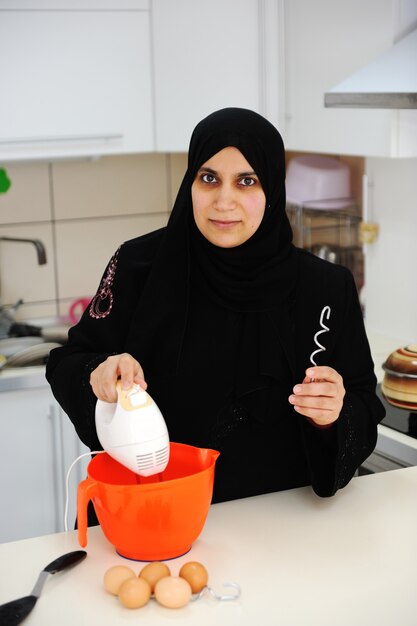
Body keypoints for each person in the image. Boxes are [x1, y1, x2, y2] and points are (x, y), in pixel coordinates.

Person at [46, 107, 385, 511]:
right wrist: (98, 372)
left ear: (273, 189)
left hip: (279, 527)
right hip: (149, 519)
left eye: (246, 181)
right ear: (190, 182)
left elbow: (363, 401)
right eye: (209, 178)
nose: (224, 201)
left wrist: (331, 416)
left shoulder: (326, 288)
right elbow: (68, 363)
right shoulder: (139, 266)